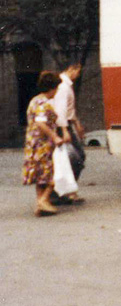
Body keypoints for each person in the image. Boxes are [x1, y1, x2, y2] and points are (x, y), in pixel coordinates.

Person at [22, 71, 65, 217]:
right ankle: (43, 200)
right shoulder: (42, 103)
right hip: (42, 145)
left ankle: (40, 204)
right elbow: (41, 123)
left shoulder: (34, 100)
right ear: (52, 88)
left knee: (40, 176)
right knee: (51, 174)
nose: (57, 91)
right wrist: (55, 137)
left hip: (33, 144)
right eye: (56, 88)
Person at [51, 61, 85, 204]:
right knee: (74, 158)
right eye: (78, 71)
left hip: (67, 125)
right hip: (62, 126)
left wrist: (76, 123)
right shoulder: (63, 87)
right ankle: (64, 192)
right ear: (72, 68)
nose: (78, 75)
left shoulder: (66, 86)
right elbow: (61, 111)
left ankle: (67, 191)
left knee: (75, 158)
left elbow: (69, 110)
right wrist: (65, 131)